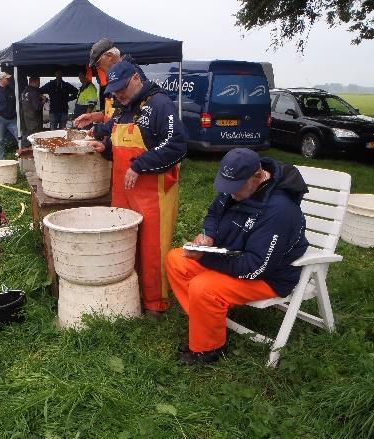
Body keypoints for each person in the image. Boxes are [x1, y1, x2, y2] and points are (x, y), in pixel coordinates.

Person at [165, 148, 309, 365]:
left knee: (203, 287)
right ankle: (207, 320)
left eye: (235, 188)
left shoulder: (279, 209)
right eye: (226, 186)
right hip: (231, 257)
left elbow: (257, 266)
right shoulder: (237, 184)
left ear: (258, 176)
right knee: (176, 260)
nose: (230, 192)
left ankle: (208, 349)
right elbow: (214, 213)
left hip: (267, 277)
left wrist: (204, 258)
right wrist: (208, 237)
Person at [87, 61, 188, 314]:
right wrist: (105, 149)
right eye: (114, 90)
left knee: (152, 248)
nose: (118, 94)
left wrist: (139, 165)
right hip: (124, 191)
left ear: (135, 78)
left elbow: (176, 145)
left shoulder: (160, 105)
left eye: (122, 88)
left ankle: (155, 304)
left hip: (153, 191)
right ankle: (130, 296)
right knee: (125, 242)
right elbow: (117, 143)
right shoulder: (122, 109)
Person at [74, 37, 147, 129]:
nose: (98, 68)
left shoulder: (132, 75)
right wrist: (93, 116)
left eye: (98, 63)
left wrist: (101, 130)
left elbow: (129, 113)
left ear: (110, 56)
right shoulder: (116, 77)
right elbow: (117, 109)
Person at [21, 75, 44, 147]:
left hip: (25, 119)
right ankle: (34, 154)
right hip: (34, 120)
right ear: (34, 82)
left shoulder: (23, 92)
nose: (39, 84)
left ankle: (26, 151)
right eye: (38, 82)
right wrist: (43, 100)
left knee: (26, 137)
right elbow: (37, 107)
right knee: (35, 139)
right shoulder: (34, 92)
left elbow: (20, 103)